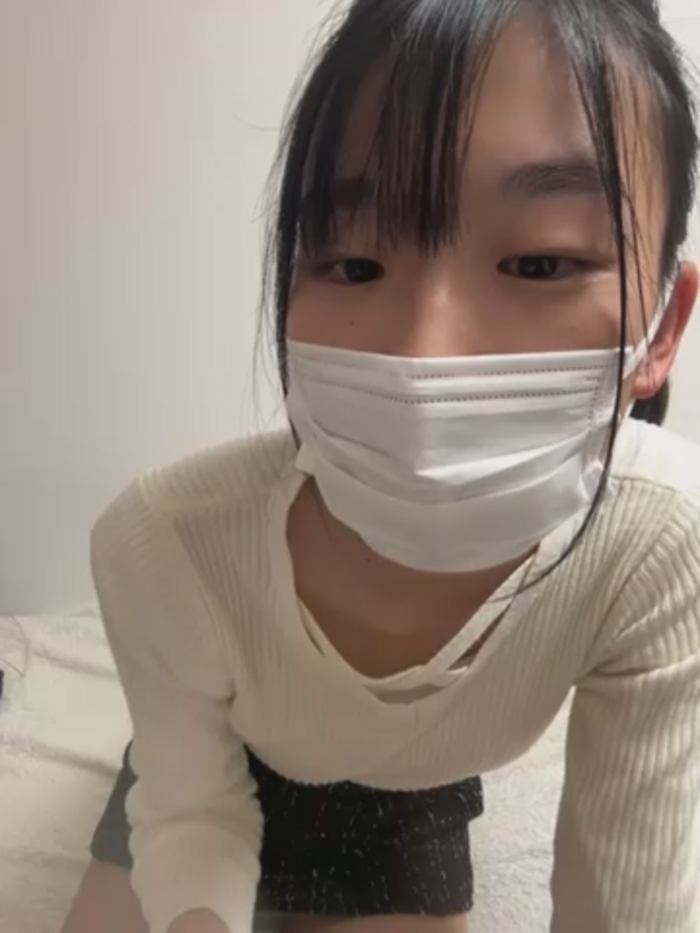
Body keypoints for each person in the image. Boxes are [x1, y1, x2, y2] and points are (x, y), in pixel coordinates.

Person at [60, 0, 700, 932]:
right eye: (354, 264)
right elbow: (189, 807)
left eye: (539, 264)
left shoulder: (660, 546)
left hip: (407, 793)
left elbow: (627, 893)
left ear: (664, 326)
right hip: (212, 748)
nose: (423, 355)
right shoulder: (168, 542)